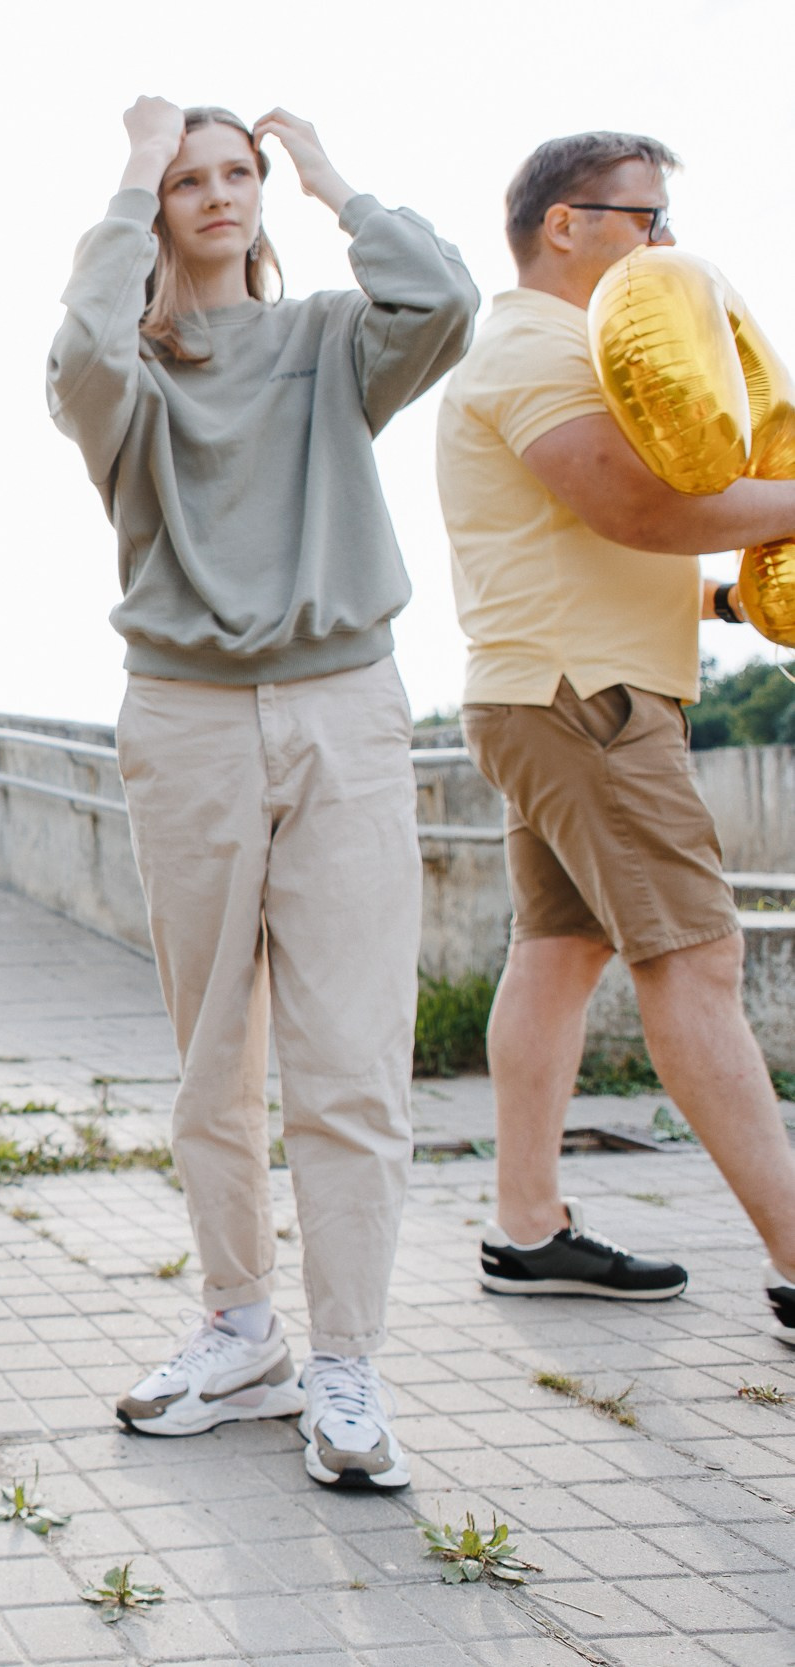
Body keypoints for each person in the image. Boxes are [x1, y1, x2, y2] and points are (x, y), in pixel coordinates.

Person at [47, 99, 478, 1490]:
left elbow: (446, 297)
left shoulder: (331, 343)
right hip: (185, 718)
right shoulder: (136, 375)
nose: (217, 195)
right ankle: (243, 1329)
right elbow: (78, 355)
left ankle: (348, 1362)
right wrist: (127, 163)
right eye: (190, 179)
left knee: (351, 1055)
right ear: (159, 205)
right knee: (212, 1050)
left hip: (346, 705)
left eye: (236, 174)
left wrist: (335, 177)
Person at [434, 132, 795, 1342]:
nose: (666, 244)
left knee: (558, 953)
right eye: (645, 218)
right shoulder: (541, 343)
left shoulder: (536, 348)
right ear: (563, 224)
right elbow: (637, 507)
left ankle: (526, 1230)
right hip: (587, 701)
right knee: (692, 960)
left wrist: (726, 602)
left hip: (548, 683)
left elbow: (585, 547)